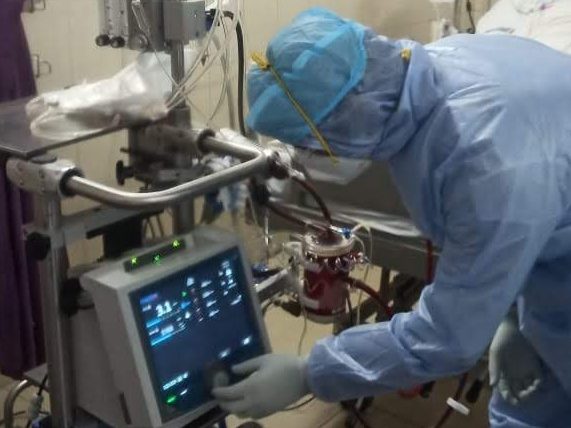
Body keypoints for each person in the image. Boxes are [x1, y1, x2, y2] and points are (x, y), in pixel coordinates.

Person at [212, 8, 571, 427]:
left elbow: (447, 338)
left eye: (309, 146)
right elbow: (530, 215)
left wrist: (310, 373)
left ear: (349, 115)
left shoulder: (482, 165)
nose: (305, 161)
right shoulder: (431, 67)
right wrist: (512, 314)